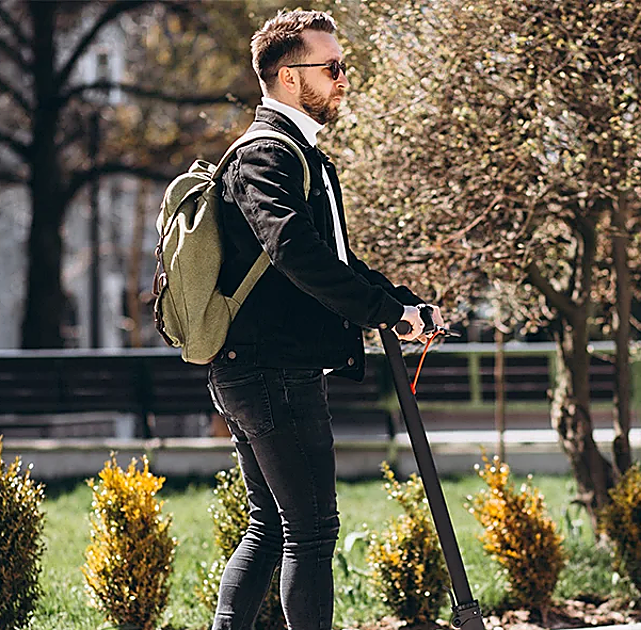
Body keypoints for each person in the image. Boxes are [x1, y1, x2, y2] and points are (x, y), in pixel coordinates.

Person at [207, 9, 444, 630]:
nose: (344, 79)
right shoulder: (265, 156)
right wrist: (384, 315)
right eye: (332, 68)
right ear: (289, 77)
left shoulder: (296, 154)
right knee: (311, 528)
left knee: (270, 523)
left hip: (265, 366)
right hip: (270, 369)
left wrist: (400, 305)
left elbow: (334, 257)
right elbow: (296, 253)